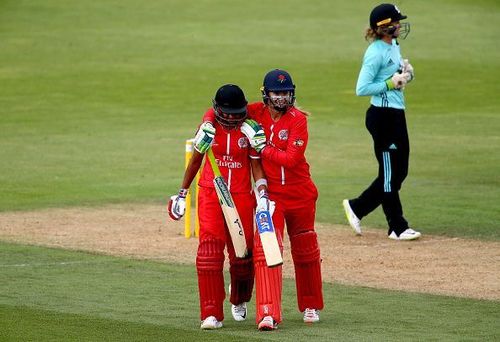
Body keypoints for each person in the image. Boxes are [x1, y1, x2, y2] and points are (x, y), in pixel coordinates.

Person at [167, 84, 272, 329]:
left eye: (238, 113)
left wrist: (263, 192)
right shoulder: (208, 129)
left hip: (241, 197)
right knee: (209, 254)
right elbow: (195, 161)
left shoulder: (250, 130)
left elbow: (256, 165)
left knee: (242, 258)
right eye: (229, 114)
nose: (234, 118)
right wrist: (182, 193)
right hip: (211, 195)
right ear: (219, 110)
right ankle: (211, 313)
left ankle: (239, 299)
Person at [241, 69, 324, 330]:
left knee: (305, 249)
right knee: (267, 249)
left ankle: (310, 305)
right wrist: (209, 121)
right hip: (272, 196)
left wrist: (262, 146)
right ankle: (267, 313)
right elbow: (228, 107)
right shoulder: (256, 113)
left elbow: (291, 159)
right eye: (277, 93)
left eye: (286, 92)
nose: (282, 97)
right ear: (266, 94)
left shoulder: (298, 120)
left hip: (300, 193)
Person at [342, 3, 421, 241]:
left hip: (397, 114)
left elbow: (395, 75)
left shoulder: (394, 45)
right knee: (389, 174)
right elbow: (362, 88)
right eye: (396, 22)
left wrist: (407, 73)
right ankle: (397, 226)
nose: (400, 25)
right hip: (382, 117)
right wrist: (390, 83)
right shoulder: (375, 53)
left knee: (400, 172)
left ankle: (357, 207)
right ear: (384, 27)